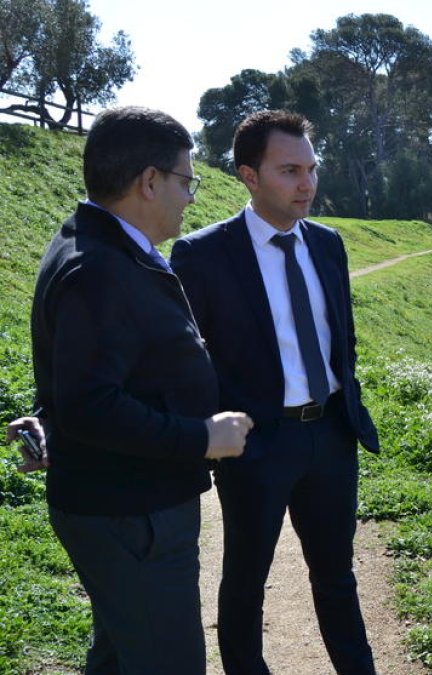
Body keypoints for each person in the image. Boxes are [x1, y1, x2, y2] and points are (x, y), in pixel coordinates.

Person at [27, 106, 253, 674]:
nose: (191, 198)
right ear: (149, 182)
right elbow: (92, 404)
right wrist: (202, 436)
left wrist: (46, 418)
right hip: (134, 514)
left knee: (122, 654)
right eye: (186, 181)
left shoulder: (96, 245)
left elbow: (80, 378)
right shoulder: (100, 268)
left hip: (121, 506)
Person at [171, 109, 380, 675]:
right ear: (249, 176)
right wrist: (225, 431)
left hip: (332, 435)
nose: (307, 184)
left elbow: (344, 340)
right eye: (289, 170)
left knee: (337, 575)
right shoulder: (202, 254)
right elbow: (188, 361)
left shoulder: (328, 244)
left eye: (311, 169)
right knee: (246, 579)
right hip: (259, 444)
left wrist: (346, 411)